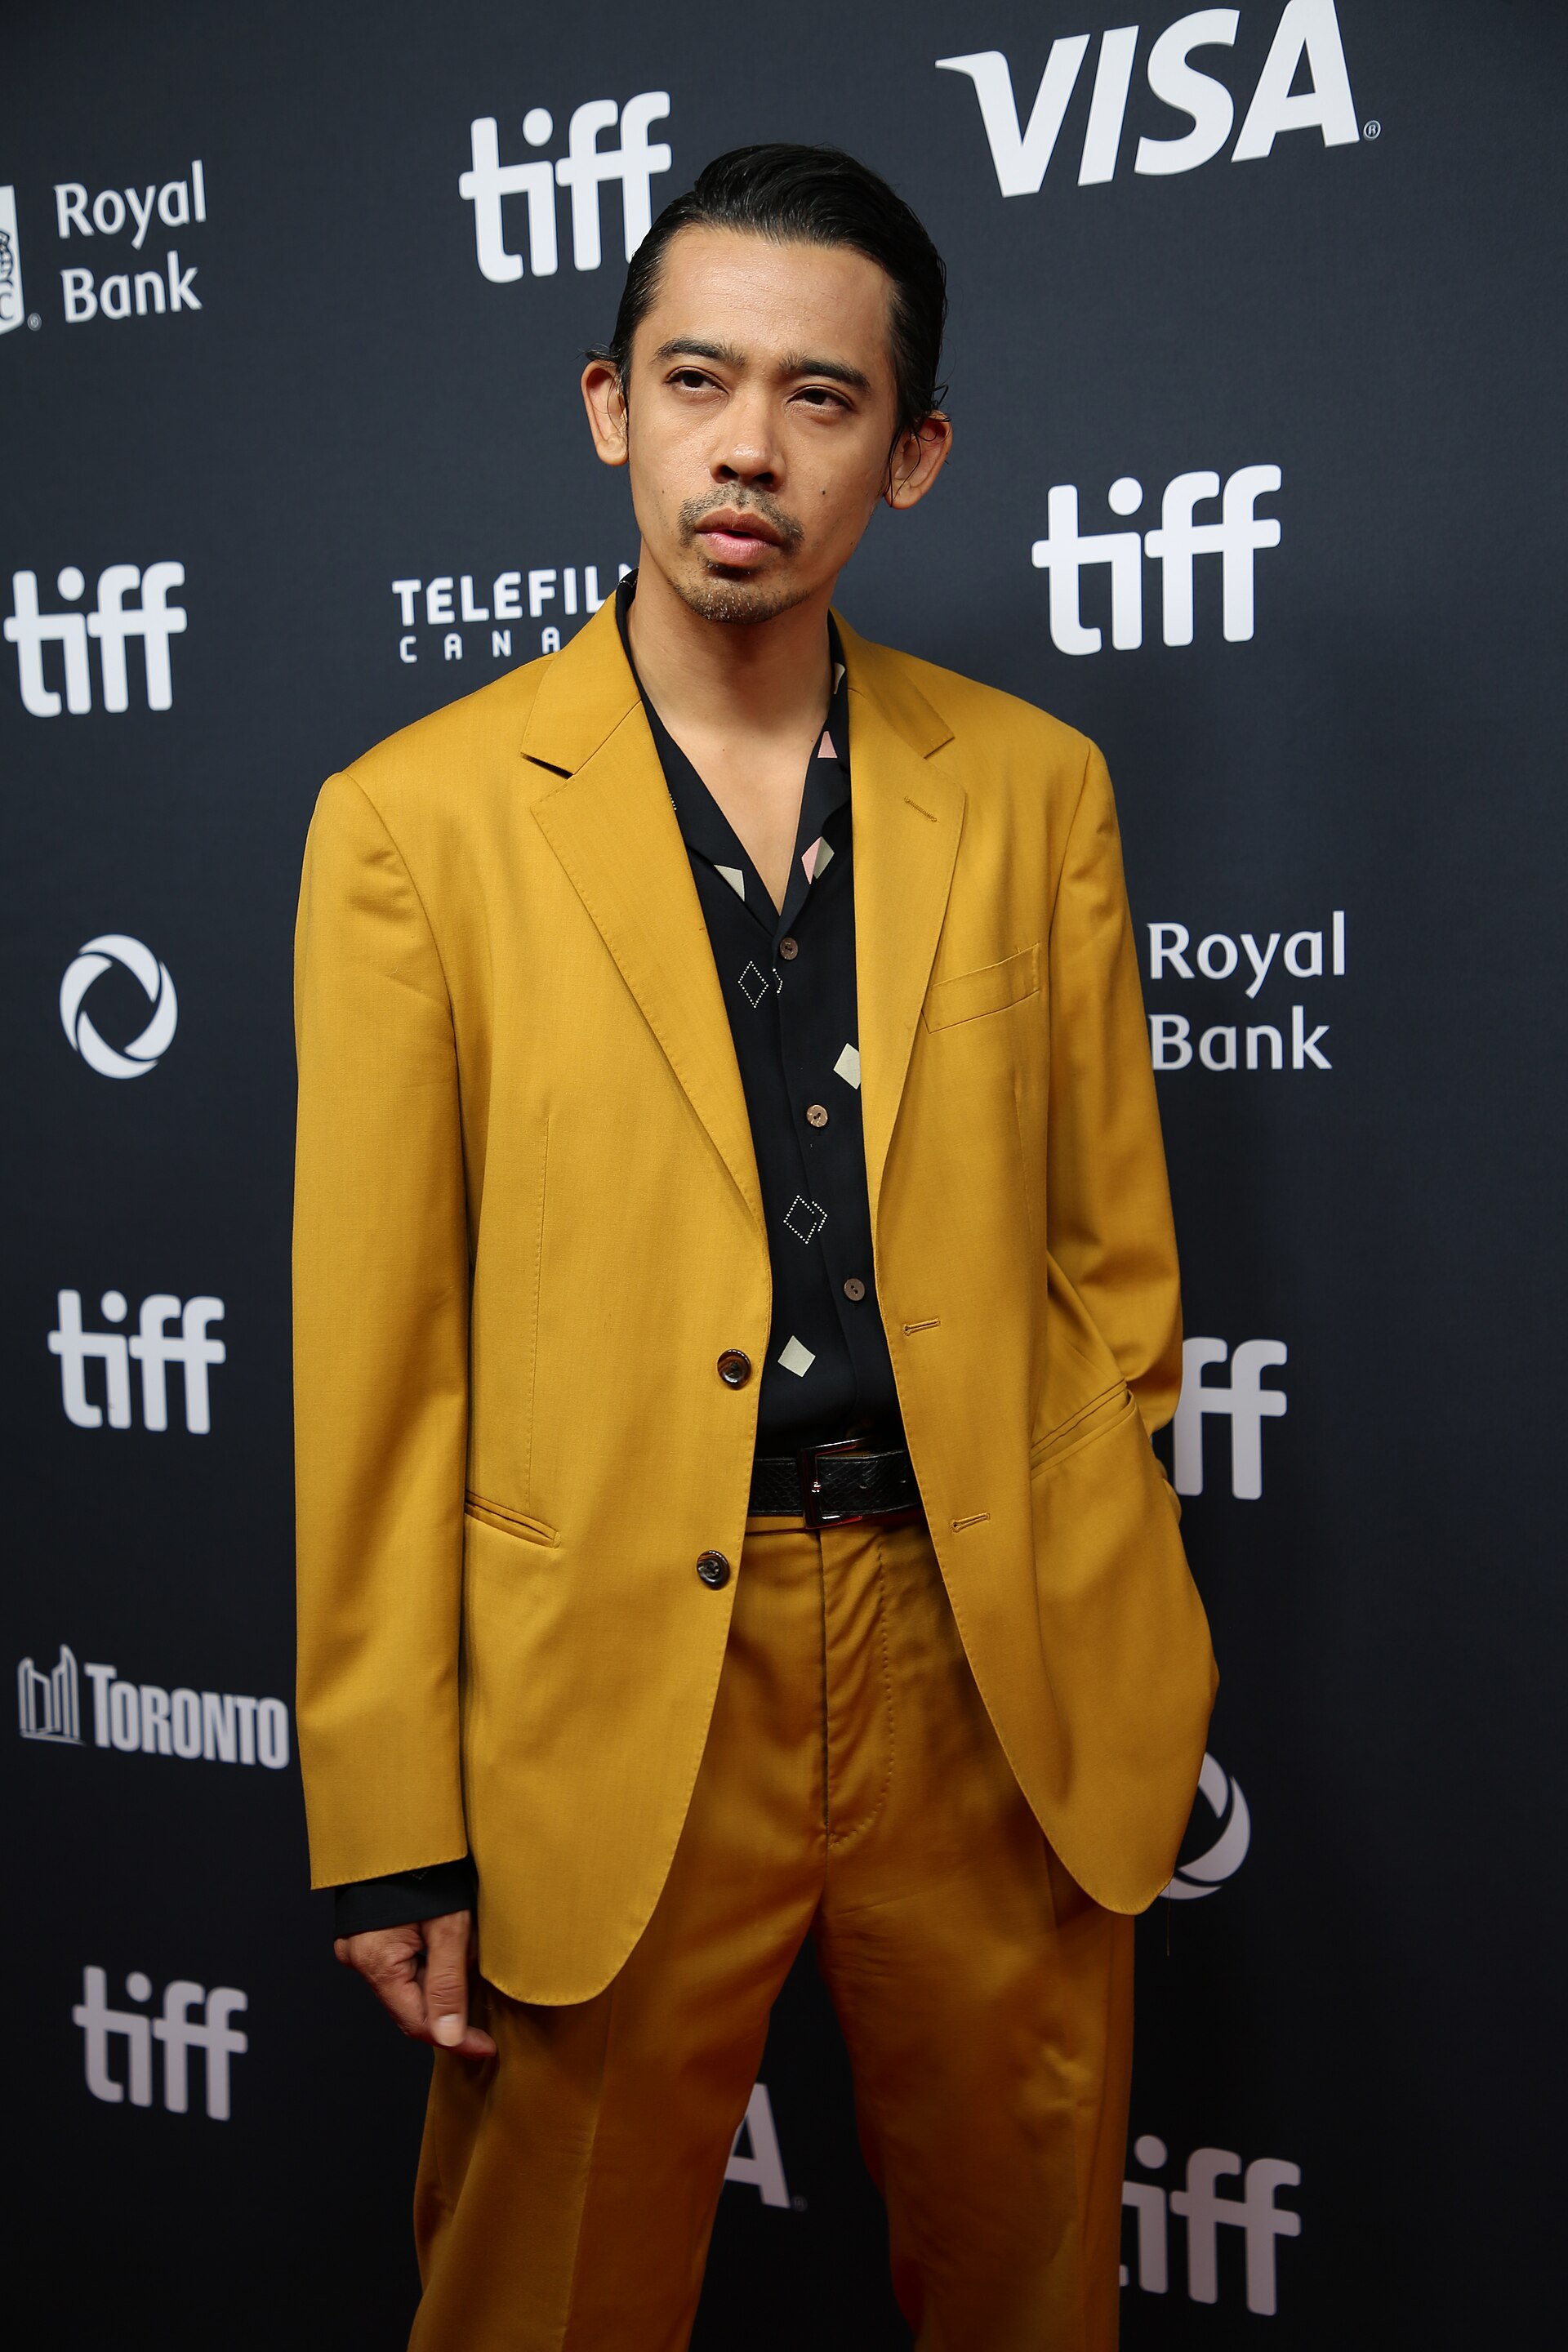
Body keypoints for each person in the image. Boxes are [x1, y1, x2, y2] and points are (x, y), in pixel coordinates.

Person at [293, 142, 1215, 2352]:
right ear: (608, 401)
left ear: (910, 457)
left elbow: (1121, 1266)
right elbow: (378, 1367)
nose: (747, 446)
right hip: (611, 1683)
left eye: (821, 399)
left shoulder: (1035, 789)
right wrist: (393, 1814)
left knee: (1029, 2298)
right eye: (699, 378)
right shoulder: (410, 827)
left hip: (985, 1661)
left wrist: (1077, 1557)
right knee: (542, 2305)